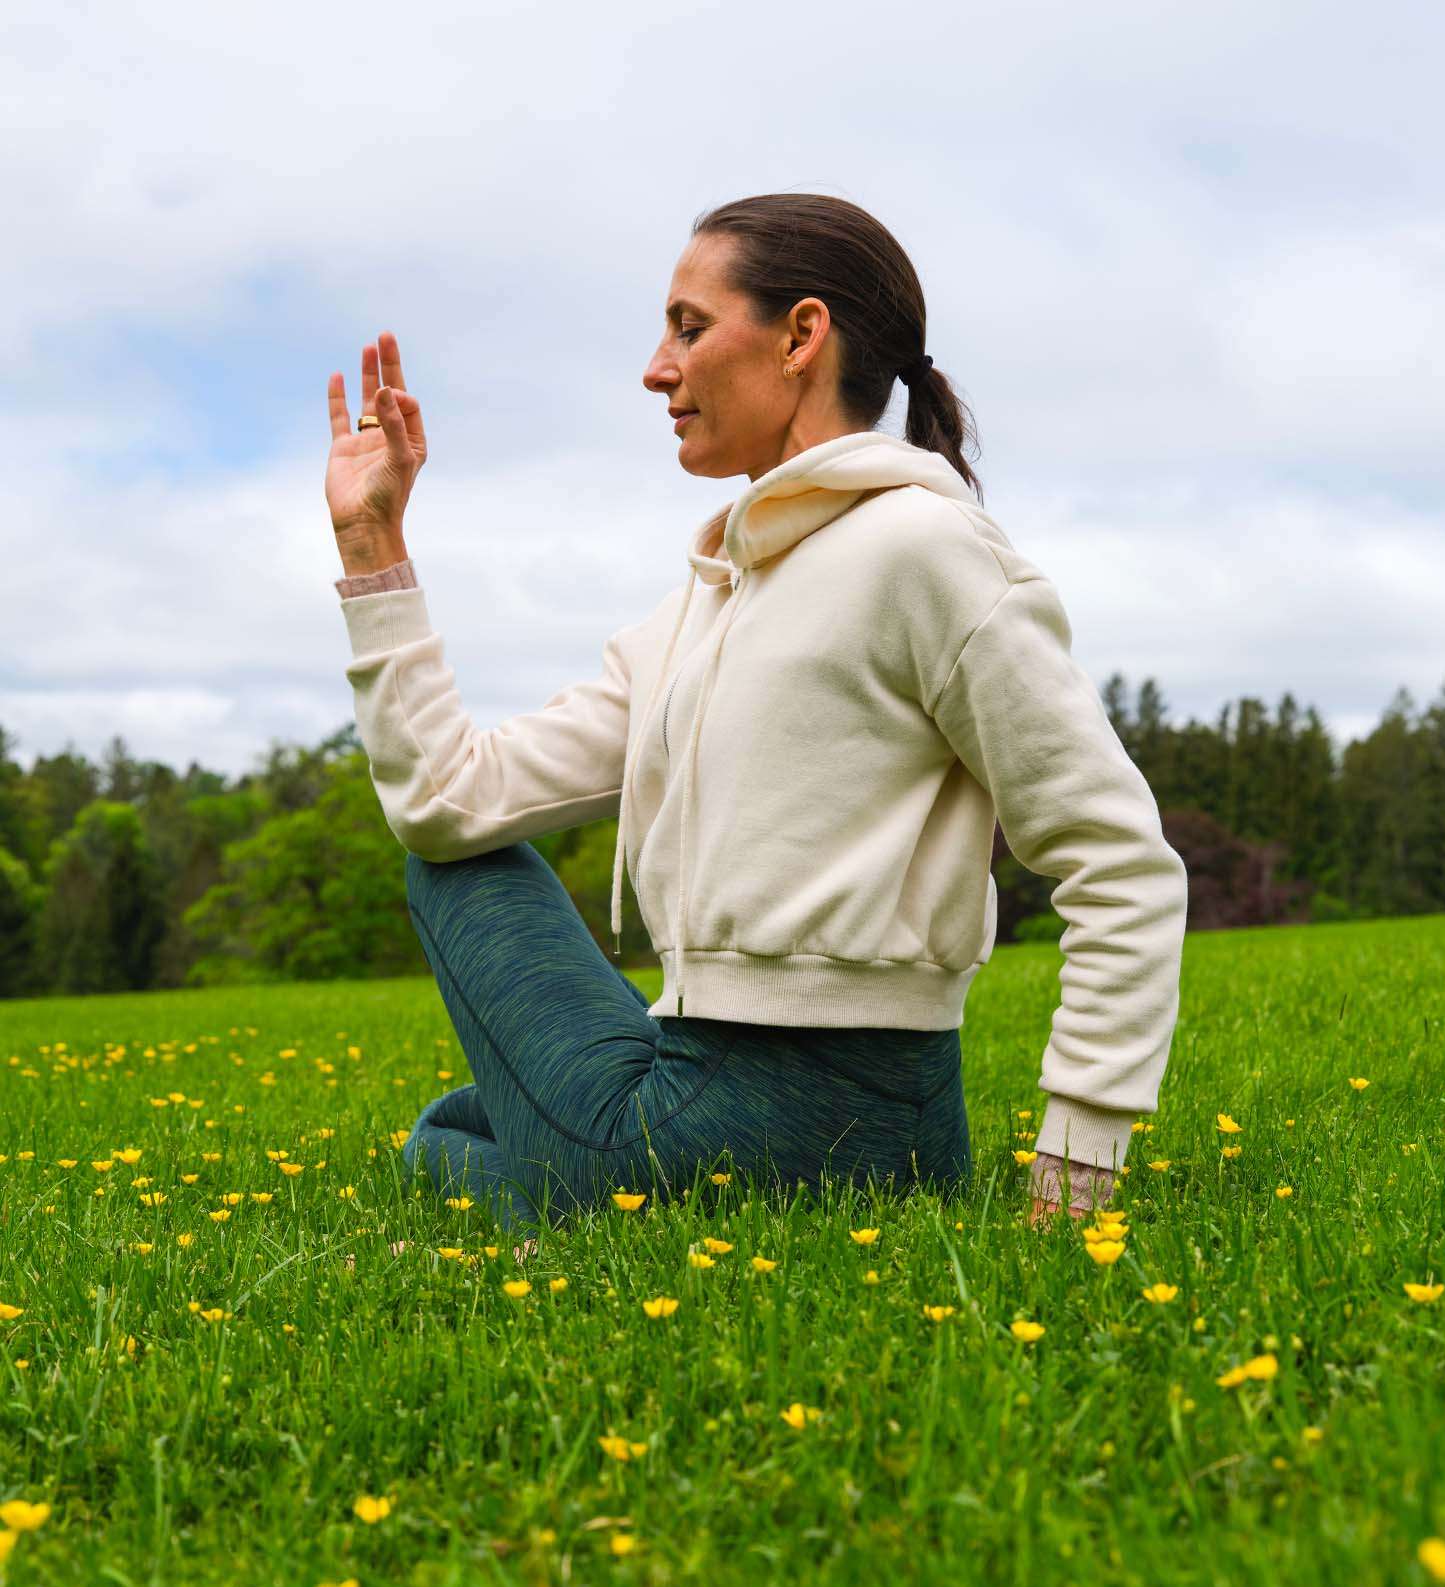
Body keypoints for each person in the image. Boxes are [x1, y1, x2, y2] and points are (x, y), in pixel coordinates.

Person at [323, 192, 1189, 1242]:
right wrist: (375, 549)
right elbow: (451, 795)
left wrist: (1079, 1168)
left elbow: (1123, 863)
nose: (656, 367)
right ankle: (553, 1173)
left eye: (689, 327)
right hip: (897, 1131)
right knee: (473, 1082)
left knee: (444, 1135)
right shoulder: (701, 607)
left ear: (800, 336)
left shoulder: (923, 550)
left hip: (725, 1130)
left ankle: (559, 1201)